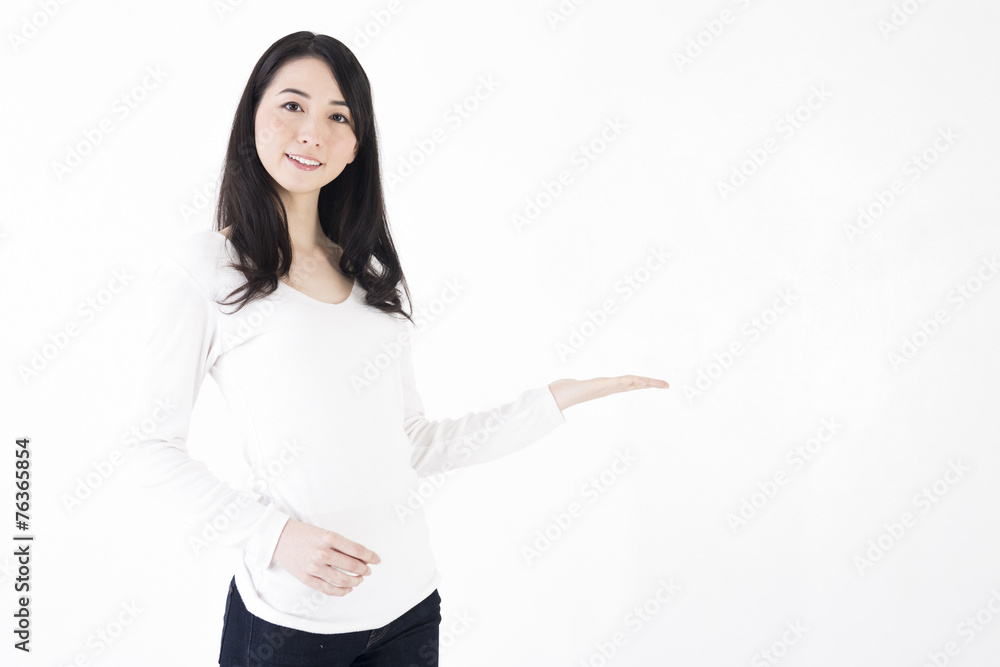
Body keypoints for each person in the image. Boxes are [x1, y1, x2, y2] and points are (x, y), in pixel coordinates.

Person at [132, 30, 668, 667]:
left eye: (338, 117)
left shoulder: (366, 276)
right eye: (292, 105)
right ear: (252, 116)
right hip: (292, 623)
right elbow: (148, 447)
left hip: (409, 609)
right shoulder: (204, 269)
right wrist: (275, 537)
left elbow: (411, 442)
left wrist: (550, 402)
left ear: (357, 145)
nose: (312, 133)